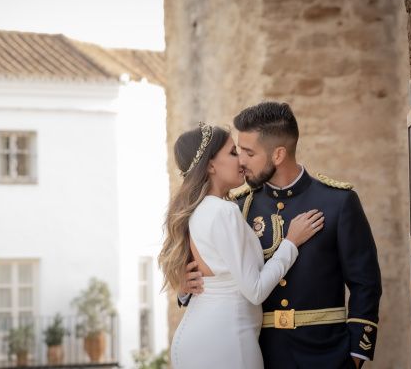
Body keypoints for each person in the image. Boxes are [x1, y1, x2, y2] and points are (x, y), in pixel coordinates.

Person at [180, 102, 382, 368]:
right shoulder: (239, 207)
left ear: (277, 155)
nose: (241, 160)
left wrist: (357, 352)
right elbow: (214, 267)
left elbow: (365, 282)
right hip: (263, 353)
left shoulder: (338, 202)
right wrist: (185, 287)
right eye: (238, 152)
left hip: (327, 352)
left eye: (249, 153)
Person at [159, 122, 324, 369]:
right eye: (233, 153)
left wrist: (184, 288)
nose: (241, 161)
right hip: (228, 342)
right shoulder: (224, 211)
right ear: (211, 165)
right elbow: (255, 290)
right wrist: (291, 242)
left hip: (196, 338)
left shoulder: (196, 210)